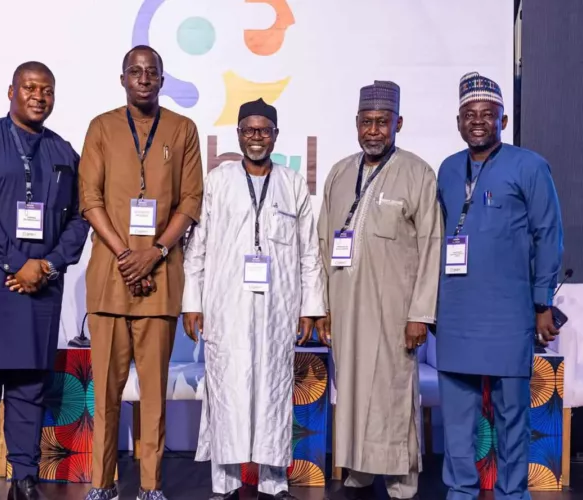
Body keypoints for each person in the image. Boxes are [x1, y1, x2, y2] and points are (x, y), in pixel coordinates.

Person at [0, 61, 90, 500]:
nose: (38, 96)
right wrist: (17, 263)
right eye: (29, 87)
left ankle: (25, 478)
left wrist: (46, 266)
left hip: (40, 287)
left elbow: (82, 216)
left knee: (30, 388)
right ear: (10, 91)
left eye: (46, 89)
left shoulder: (64, 153)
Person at [182, 98, 326, 500]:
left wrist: (310, 308)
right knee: (227, 391)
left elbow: (308, 250)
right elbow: (199, 246)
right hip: (225, 305)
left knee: (274, 392)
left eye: (264, 130)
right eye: (249, 130)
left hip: (278, 307)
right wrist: (192, 301)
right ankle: (224, 483)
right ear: (239, 135)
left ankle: (273, 481)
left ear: (276, 136)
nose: (256, 137)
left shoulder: (292, 182)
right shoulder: (219, 180)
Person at [77, 45, 204, 500]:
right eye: (136, 71)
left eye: (152, 72)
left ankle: (150, 485)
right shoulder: (102, 127)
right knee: (106, 394)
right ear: (123, 79)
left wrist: (155, 252)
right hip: (111, 278)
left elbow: (190, 201)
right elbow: (89, 199)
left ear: (162, 80)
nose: (144, 78)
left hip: (161, 277)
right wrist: (127, 254)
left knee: (154, 394)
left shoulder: (182, 129)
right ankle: (102, 483)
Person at [435, 72, 563, 500]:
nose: (478, 122)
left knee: (513, 415)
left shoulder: (530, 166)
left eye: (487, 115)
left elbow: (549, 233)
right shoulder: (448, 169)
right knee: (457, 419)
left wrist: (542, 302)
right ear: (458, 121)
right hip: (455, 311)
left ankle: (512, 493)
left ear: (503, 121)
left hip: (509, 312)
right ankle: (460, 491)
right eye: (470, 115)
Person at [316, 80, 443, 499]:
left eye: (382, 123)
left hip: (394, 313)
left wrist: (420, 314)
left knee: (392, 393)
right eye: (367, 122)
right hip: (346, 311)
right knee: (350, 391)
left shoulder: (417, 173)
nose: (374, 131)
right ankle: (359, 469)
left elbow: (431, 246)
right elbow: (322, 242)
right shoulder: (338, 172)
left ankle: (401, 480)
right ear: (356, 123)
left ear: (398, 123)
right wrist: (324, 307)